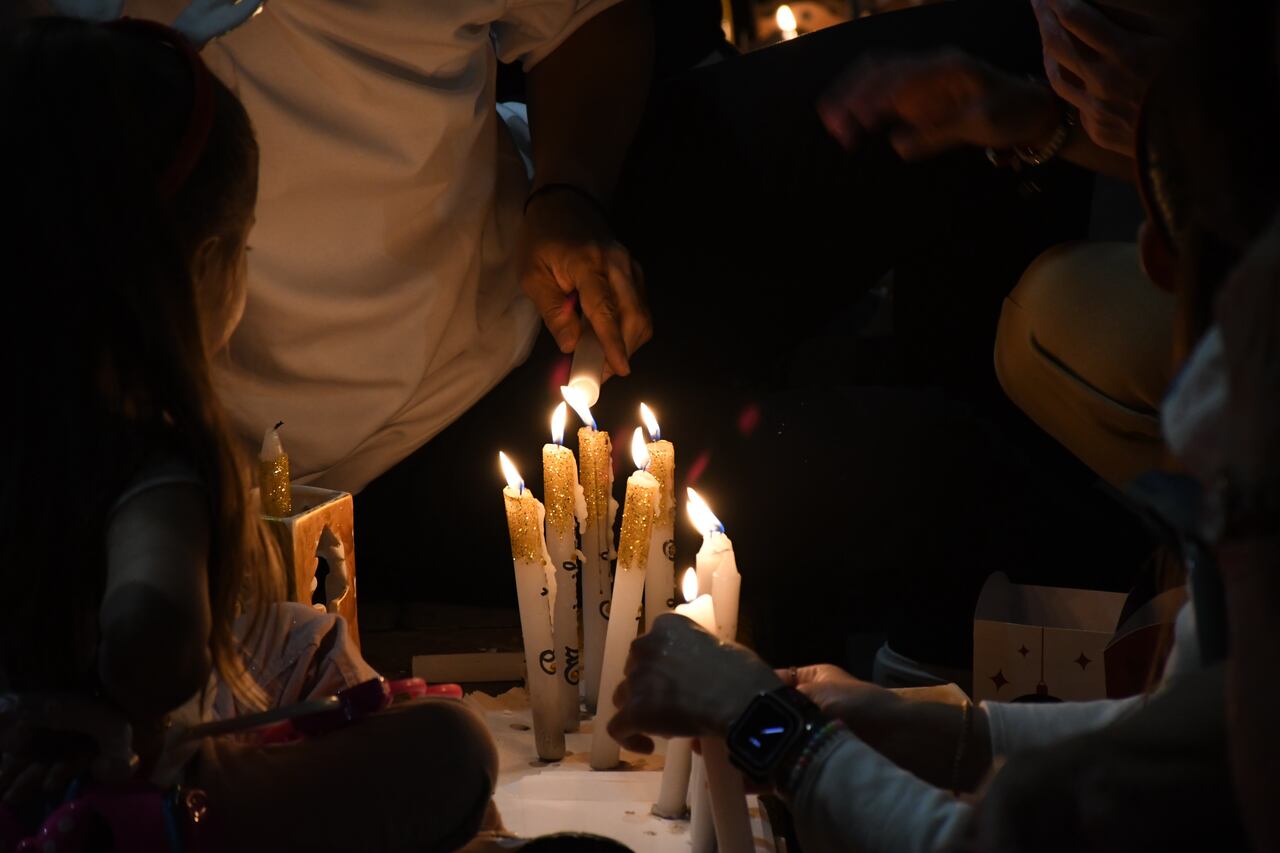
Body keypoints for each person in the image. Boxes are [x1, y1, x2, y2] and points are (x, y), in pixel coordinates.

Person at [607, 4, 1276, 850]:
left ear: (1157, 249)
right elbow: (1186, 719)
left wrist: (763, 726)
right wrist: (953, 731)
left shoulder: (1253, 438)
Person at [0, 16, 496, 850]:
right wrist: (138, 706)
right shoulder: (148, 460)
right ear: (204, 270)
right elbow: (154, 616)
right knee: (451, 744)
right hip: (109, 804)